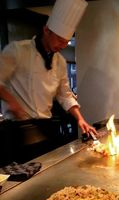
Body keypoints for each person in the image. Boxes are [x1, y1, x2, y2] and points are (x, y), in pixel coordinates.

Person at [0, 0, 96, 166]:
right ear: (46, 30)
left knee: (47, 171)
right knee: (21, 183)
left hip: (46, 127)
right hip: (18, 129)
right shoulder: (17, 50)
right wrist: (12, 102)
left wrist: (80, 119)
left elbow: (65, 95)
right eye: (60, 40)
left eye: (66, 41)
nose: (63, 45)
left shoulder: (60, 61)